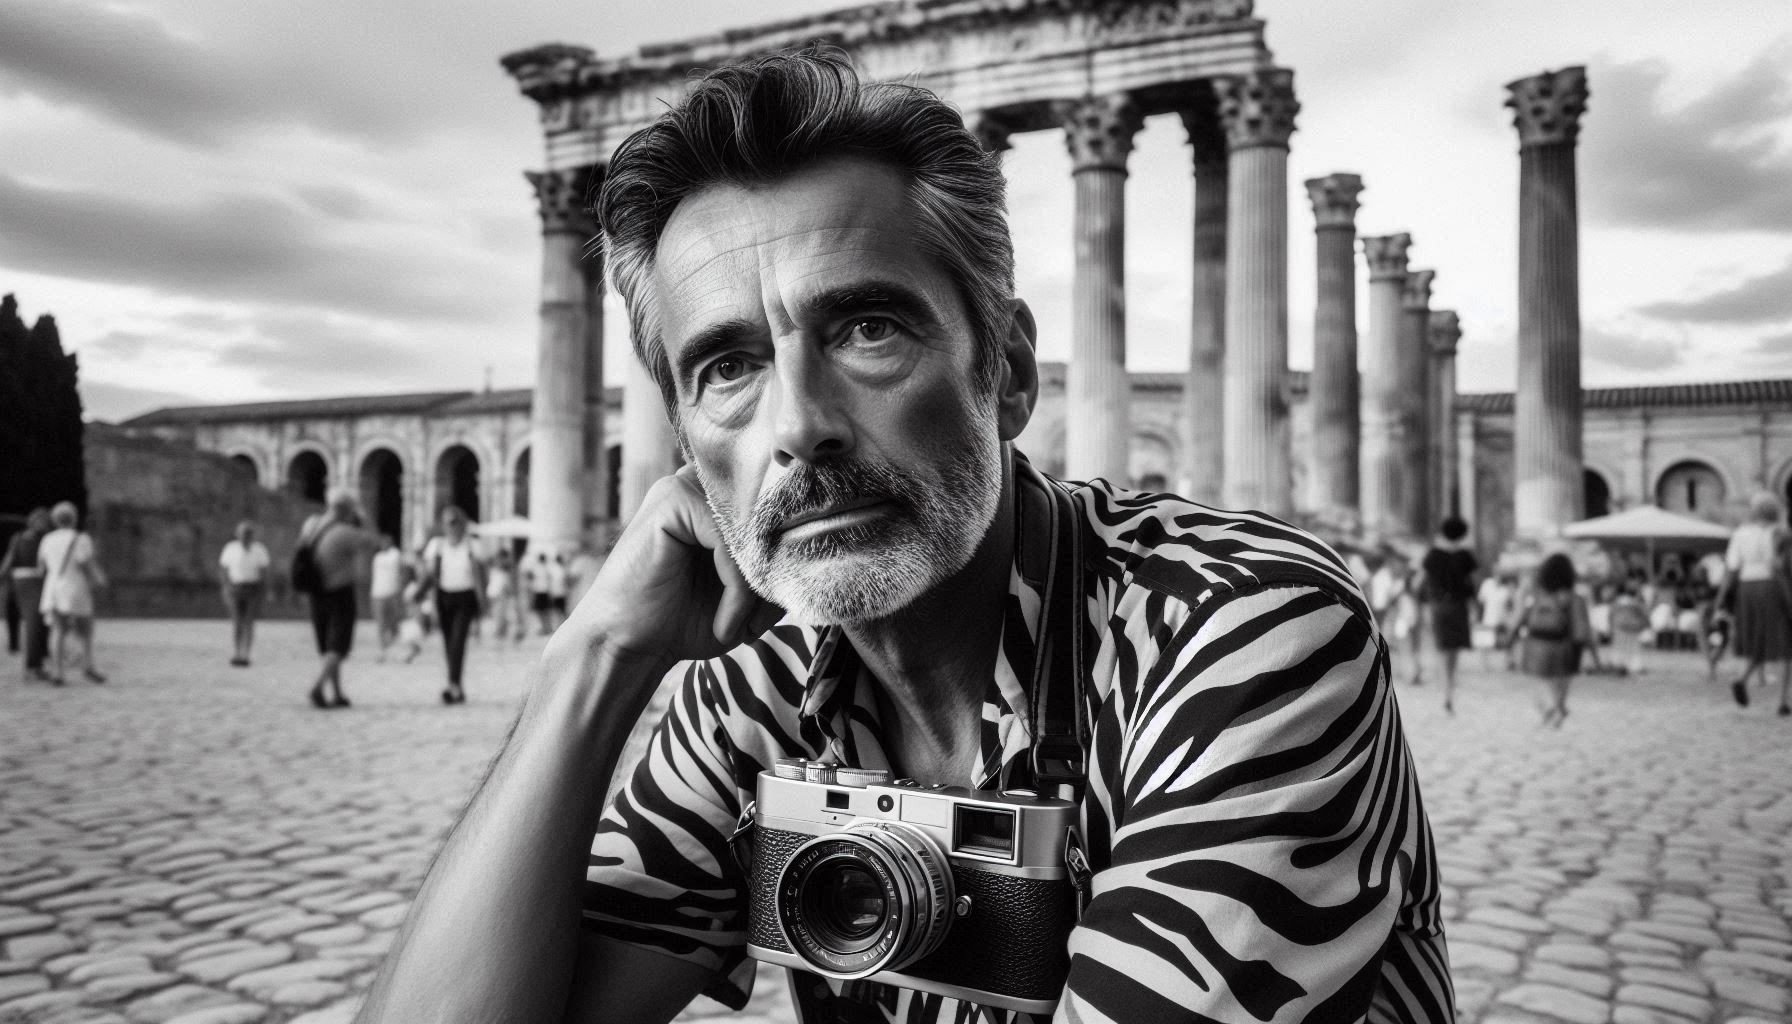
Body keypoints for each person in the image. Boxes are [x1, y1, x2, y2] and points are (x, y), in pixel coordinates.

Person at [357, 50, 1450, 1023]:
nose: (799, 427)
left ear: (1008, 371)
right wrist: (587, 667)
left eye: (867, 327)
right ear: (684, 434)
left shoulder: (1242, 631)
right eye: (726, 366)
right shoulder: (760, 686)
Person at [297, 490, 381, 709]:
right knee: (338, 646)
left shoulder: (311, 524)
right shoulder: (346, 532)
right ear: (347, 509)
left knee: (327, 646)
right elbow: (374, 541)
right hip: (339, 592)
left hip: (315, 591)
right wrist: (363, 517)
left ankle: (337, 693)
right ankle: (318, 686)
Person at [1723, 492, 1792, 715]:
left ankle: (1742, 679)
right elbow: (1783, 565)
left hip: (1747, 587)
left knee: (1759, 639)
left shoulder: (1740, 534)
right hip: (1773, 585)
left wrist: (1723, 599)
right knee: (1784, 643)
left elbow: (1732, 567)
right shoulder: (1781, 533)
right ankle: (1782, 701)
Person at [420, 506, 488, 705]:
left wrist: (483, 601)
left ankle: (453, 685)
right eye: (449, 522)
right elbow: (431, 576)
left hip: (465, 598)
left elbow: (480, 576)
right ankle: (455, 684)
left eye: (456, 522)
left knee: (458, 640)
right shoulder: (436, 545)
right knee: (449, 642)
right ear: (443, 525)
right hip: (444, 597)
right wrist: (428, 602)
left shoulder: (473, 546)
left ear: (463, 524)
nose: (453, 526)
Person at [1518, 552, 1593, 727]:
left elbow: (1523, 616)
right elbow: (1582, 628)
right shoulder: (1575, 597)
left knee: (1543, 678)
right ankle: (1559, 707)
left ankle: (1551, 709)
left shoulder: (1538, 596)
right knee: (1563, 676)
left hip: (1538, 642)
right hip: (1565, 643)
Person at [36, 501, 107, 685]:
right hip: (75, 587)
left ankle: (58, 672)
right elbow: (85, 563)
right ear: (74, 519)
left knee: (58, 630)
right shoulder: (80, 538)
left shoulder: (47, 539)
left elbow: (41, 567)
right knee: (86, 630)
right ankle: (88, 666)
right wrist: (99, 580)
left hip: (53, 587)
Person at [1420, 516, 1478, 712]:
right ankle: (1450, 687)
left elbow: (1425, 583)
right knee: (1454, 650)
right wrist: (1475, 608)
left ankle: (1444, 688)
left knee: (1441, 649)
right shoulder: (1465, 557)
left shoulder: (1433, 556)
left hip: (1438, 605)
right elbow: (1470, 585)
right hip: (1458, 606)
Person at [0, 508, 52, 681]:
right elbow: (10, 559)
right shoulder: (40, 538)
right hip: (32, 582)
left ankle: (36, 662)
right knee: (34, 625)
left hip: (23, 581)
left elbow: (9, 560)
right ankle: (32, 666)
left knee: (36, 624)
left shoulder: (21, 537)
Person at [217, 520, 272, 667]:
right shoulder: (230, 548)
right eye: (243, 533)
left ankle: (246, 654)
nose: (245, 536)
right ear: (237, 534)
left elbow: (264, 572)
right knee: (237, 622)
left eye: (248, 533)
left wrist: (264, 592)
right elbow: (224, 570)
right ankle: (236, 652)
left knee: (248, 622)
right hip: (235, 588)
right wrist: (225, 587)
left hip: (253, 588)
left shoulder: (259, 550)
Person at [370, 535, 408, 660]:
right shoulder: (377, 557)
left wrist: (401, 591)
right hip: (378, 593)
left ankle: (391, 646)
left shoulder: (396, 554)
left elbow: (402, 572)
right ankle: (383, 650)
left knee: (394, 624)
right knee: (381, 624)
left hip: (392, 593)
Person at [486, 547, 524, 643]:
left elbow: (510, 587)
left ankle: (511, 633)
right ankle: (502, 634)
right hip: (497, 597)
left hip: (504, 597)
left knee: (508, 617)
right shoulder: (496, 570)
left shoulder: (508, 571)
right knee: (500, 618)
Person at [525, 549, 556, 635]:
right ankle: (547, 627)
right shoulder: (546, 568)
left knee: (541, 612)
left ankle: (545, 627)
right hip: (544, 592)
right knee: (545, 612)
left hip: (539, 592)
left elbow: (529, 576)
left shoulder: (537, 568)